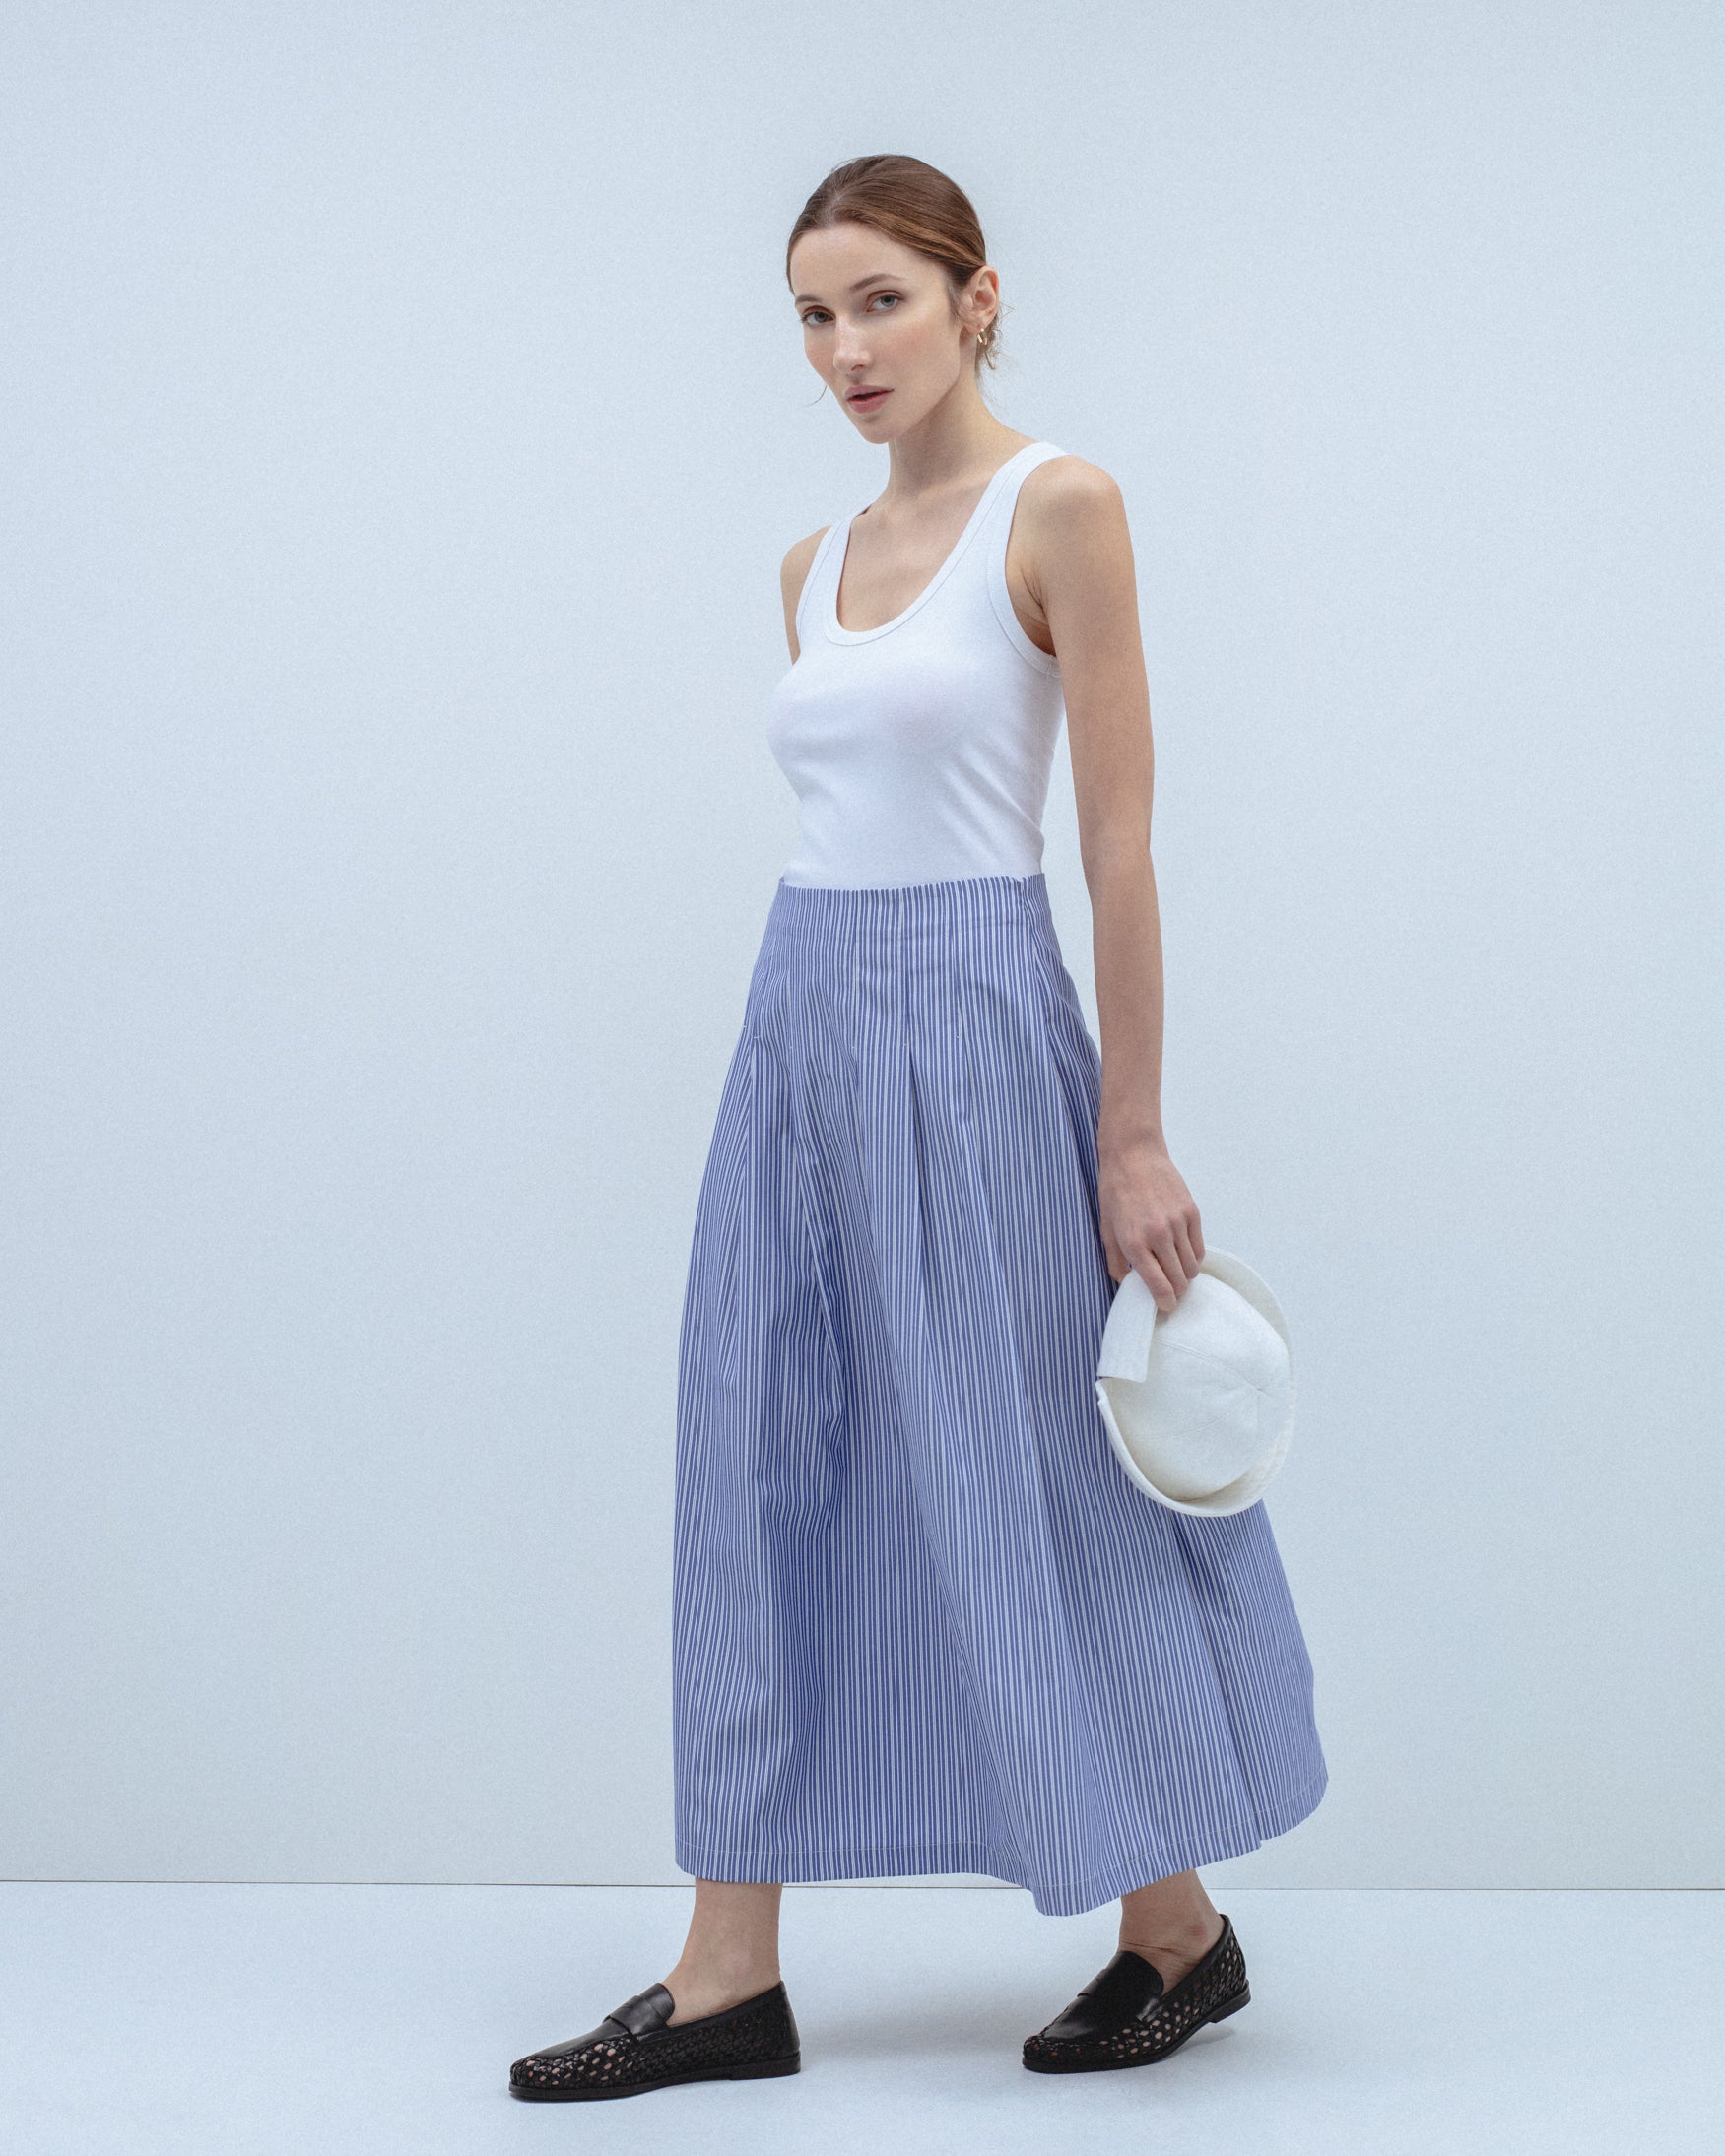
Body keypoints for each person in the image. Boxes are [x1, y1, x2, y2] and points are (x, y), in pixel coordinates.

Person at [508, 153, 1327, 2105]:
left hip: (974, 1030)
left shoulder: (1061, 508)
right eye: (813, 314)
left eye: (879, 299)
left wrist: (1132, 1129)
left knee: (1029, 1462)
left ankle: (1176, 1926)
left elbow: (1116, 843)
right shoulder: (812, 564)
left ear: (976, 298)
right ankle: (729, 1971)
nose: (844, 348)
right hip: (797, 1024)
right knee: (754, 1455)